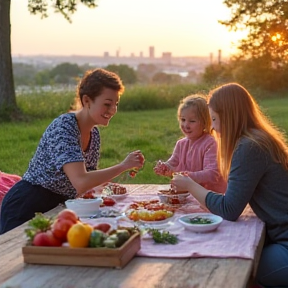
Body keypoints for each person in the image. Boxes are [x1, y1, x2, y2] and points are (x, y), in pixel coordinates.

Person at [171, 83, 288, 288]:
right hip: (278, 236)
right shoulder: (258, 138)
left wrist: (189, 184)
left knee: (232, 267)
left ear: (230, 116)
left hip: (284, 243)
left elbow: (229, 209)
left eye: (214, 119)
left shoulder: (250, 147)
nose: (213, 127)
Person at [0, 68, 144, 234]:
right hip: (26, 207)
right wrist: (123, 166)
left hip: (59, 208)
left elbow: (87, 185)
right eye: (107, 104)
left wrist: (109, 186)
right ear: (87, 100)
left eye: (115, 104)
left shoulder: (94, 134)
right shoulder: (64, 127)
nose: (113, 110)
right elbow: (81, 181)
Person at [153, 94, 226, 193]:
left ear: (205, 122)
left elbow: (212, 174)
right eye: (183, 120)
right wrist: (165, 167)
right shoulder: (181, 144)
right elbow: (173, 163)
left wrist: (187, 177)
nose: (186, 125)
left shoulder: (211, 143)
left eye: (192, 121)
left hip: (210, 197)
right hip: (188, 195)